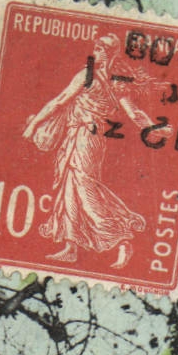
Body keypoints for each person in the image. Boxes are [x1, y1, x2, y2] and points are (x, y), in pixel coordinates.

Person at [22, 32, 152, 268]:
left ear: (109, 54)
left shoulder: (93, 76)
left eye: (101, 49)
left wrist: (33, 124)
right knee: (69, 187)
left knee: (84, 188)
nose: (96, 51)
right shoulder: (113, 80)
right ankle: (71, 247)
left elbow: (61, 100)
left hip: (86, 136)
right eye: (96, 47)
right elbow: (133, 113)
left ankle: (120, 240)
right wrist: (152, 127)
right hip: (81, 136)